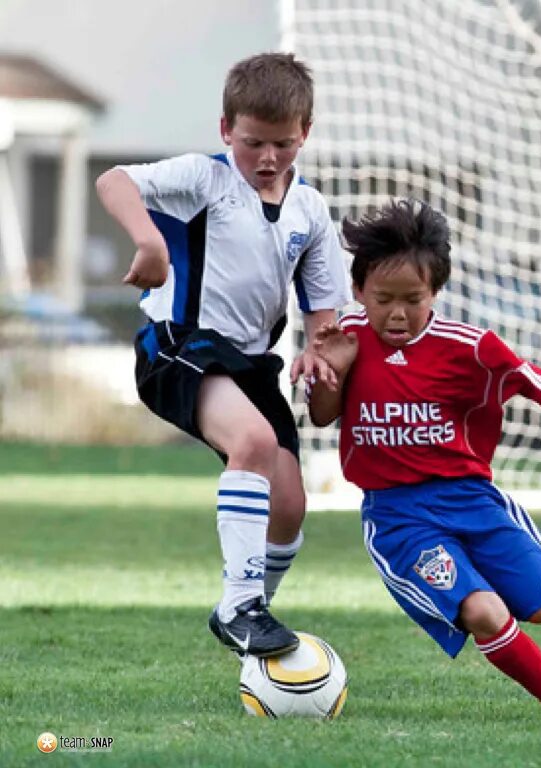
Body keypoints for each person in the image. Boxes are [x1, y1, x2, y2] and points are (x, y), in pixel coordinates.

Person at [307, 198, 541, 723]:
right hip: (399, 517)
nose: (397, 313)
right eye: (382, 299)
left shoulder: (467, 347)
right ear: (358, 291)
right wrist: (331, 371)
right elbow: (320, 416)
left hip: (472, 500)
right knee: (483, 612)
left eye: (413, 299)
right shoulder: (346, 339)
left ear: (436, 293)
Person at [95, 53, 351, 657]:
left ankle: (244, 605)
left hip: (253, 364)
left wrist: (322, 357)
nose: (267, 159)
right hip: (179, 347)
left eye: (283, 145)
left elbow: (325, 322)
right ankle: (242, 607)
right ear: (225, 130)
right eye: (252, 143)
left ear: (305, 134)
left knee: (288, 504)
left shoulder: (310, 212)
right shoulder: (203, 179)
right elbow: (114, 181)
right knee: (254, 446)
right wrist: (149, 240)